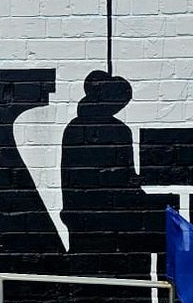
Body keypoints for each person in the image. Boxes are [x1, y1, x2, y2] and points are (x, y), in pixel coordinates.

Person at [60, 70, 148, 255]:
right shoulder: (120, 131)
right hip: (107, 217)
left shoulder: (73, 128)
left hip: (79, 216)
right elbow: (126, 177)